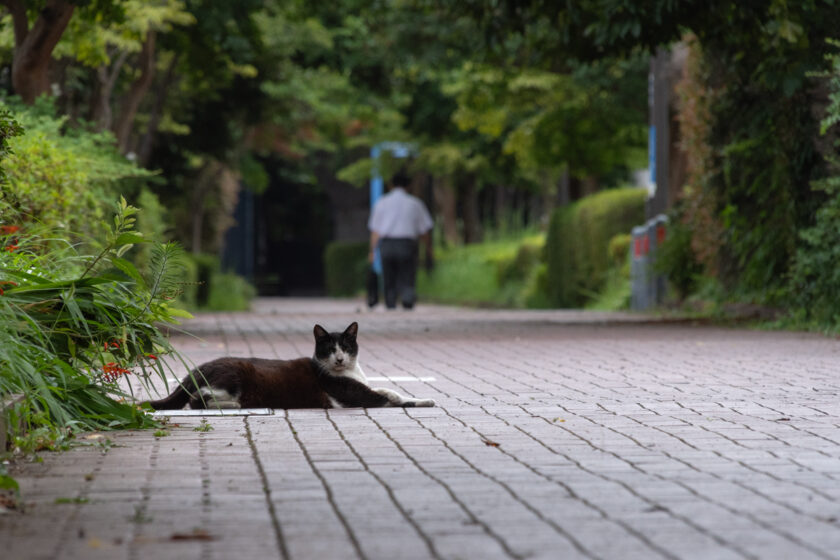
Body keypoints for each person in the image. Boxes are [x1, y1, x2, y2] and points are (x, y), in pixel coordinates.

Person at [368, 170, 433, 310]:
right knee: (408, 273)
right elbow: (424, 230)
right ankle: (407, 298)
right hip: (407, 244)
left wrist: (372, 251)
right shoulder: (415, 203)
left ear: (391, 185)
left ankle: (390, 302)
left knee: (388, 275)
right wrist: (428, 248)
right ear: (408, 185)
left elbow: (375, 231)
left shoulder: (381, 203)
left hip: (387, 244)